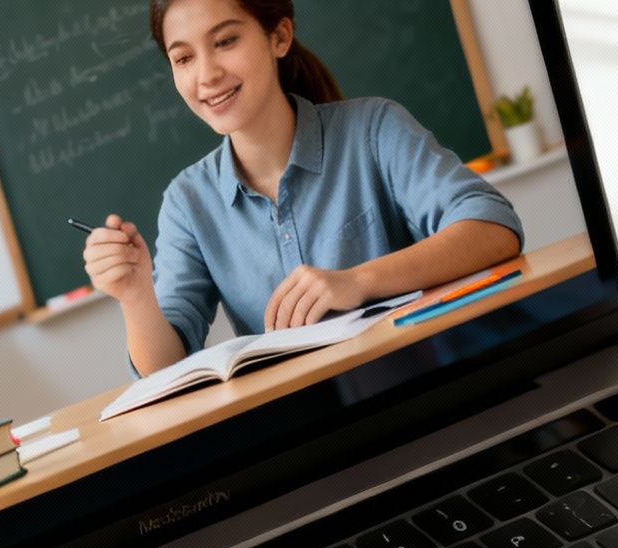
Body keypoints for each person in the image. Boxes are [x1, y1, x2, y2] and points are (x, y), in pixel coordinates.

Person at [82, 0, 524, 376]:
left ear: (279, 37)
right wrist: (136, 295)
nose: (207, 74)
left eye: (226, 41)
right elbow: (164, 369)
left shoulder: (373, 129)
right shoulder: (187, 202)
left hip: (428, 382)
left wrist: (358, 281)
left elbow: (493, 226)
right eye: (183, 58)